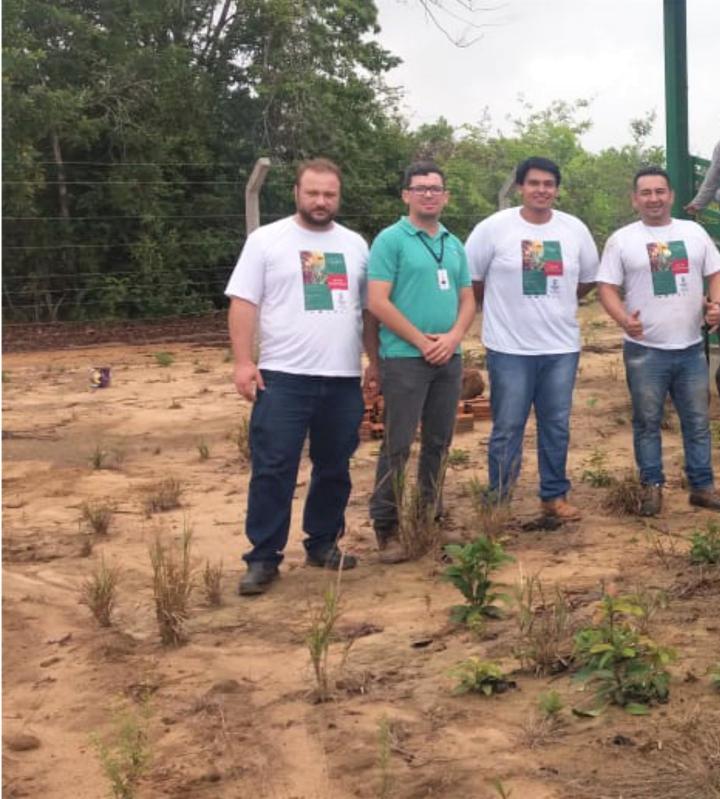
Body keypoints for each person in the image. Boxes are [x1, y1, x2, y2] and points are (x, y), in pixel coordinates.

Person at [225, 158, 372, 596]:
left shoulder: (356, 245)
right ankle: (263, 557)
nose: (321, 201)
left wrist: (374, 363)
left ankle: (323, 542)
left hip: (342, 377)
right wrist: (242, 362)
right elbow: (243, 303)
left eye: (329, 194)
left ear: (338, 196)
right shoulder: (266, 241)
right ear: (296, 193)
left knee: (334, 466)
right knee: (274, 468)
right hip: (283, 377)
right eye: (313, 193)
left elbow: (367, 311)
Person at [465, 156, 599, 524]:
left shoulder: (574, 230)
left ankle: (553, 496)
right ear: (521, 187)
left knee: (556, 425)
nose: (541, 190)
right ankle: (499, 501)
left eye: (548, 184)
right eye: (534, 183)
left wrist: (559, 303)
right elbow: (472, 280)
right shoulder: (493, 229)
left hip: (560, 349)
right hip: (509, 349)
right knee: (507, 426)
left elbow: (587, 280)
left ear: (556, 189)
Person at [596, 166, 720, 516]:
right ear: (635, 199)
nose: (654, 199)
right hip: (645, 351)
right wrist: (623, 319)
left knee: (698, 421)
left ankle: (701, 486)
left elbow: (717, 275)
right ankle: (652, 487)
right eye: (646, 193)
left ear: (671, 196)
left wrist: (716, 305)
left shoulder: (694, 232)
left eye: (660, 192)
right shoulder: (622, 239)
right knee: (647, 421)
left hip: (689, 348)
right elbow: (606, 288)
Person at [364, 162, 476, 559]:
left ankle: (429, 516)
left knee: (439, 442)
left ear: (445, 196)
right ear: (406, 195)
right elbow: (377, 300)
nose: (429, 194)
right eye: (421, 188)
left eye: (436, 188)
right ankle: (387, 525)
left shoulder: (454, 243)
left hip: (449, 357)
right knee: (397, 444)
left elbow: (467, 298)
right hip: (404, 358)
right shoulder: (390, 240)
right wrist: (420, 341)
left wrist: (453, 338)